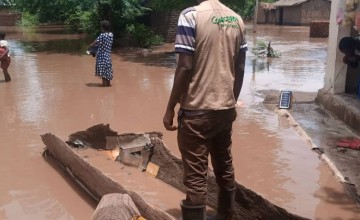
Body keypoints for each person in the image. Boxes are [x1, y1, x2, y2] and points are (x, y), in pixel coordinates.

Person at [163, 0, 247, 219]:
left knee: (196, 177)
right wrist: (232, 101)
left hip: (196, 113)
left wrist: (170, 107)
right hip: (224, 111)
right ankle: (226, 215)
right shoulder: (237, 20)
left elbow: (185, 66)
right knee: (224, 167)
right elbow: (239, 67)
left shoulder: (191, 16)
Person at [88, 20, 113, 87]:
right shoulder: (111, 35)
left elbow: (93, 44)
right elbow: (103, 44)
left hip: (102, 59)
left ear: (102, 28)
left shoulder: (102, 35)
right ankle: (108, 93)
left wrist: (89, 47)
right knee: (107, 76)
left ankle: (104, 93)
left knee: (103, 77)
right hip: (108, 58)